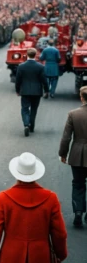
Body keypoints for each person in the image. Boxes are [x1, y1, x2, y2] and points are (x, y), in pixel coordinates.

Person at [0, 152, 67, 263]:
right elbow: (59, 233)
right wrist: (60, 254)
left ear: (16, 173)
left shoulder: (3, 199)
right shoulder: (51, 199)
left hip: (10, 255)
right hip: (41, 255)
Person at [59, 86, 87, 227]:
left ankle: (78, 211)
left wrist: (63, 154)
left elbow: (66, 138)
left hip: (77, 154)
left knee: (78, 184)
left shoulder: (73, 114)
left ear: (81, 98)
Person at [15, 48, 49, 136]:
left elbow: (18, 80)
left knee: (25, 109)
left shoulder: (21, 66)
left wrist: (17, 90)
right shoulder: (40, 67)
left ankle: (26, 124)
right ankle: (32, 126)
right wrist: (46, 90)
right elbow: (44, 80)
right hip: (37, 91)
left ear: (27, 54)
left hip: (25, 91)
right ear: (35, 55)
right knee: (34, 109)